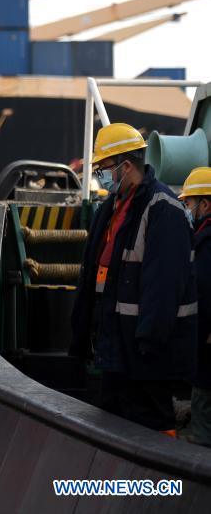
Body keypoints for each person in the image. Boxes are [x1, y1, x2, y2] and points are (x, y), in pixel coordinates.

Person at [69, 123, 197, 434]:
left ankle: (163, 482)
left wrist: (149, 341)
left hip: (145, 351)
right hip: (114, 343)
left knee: (151, 421)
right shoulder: (110, 209)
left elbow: (164, 285)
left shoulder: (163, 209)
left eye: (104, 168)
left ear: (126, 167)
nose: (101, 176)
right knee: (114, 423)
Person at [181, 167, 211, 446]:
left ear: (205, 204)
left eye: (188, 203)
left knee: (203, 428)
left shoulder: (206, 242)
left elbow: (204, 293)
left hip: (207, 356)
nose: (186, 209)